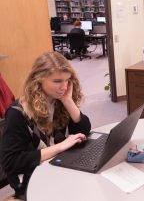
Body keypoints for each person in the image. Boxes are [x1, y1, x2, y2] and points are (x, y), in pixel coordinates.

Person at [0, 52, 91, 199]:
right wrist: (60, 147)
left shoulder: (57, 100)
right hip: (30, 179)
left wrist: (68, 101)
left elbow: (83, 130)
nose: (64, 86)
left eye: (67, 80)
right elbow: (10, 163)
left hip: (55, 166)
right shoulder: (18, 113)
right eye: (57, 81)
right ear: (39, 79)